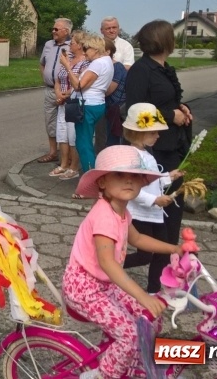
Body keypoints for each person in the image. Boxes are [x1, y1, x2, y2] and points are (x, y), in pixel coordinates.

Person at [63, 145, 183, 379]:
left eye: (135, 176)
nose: (129, 181)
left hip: (103, 286)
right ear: (102, 182)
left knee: (151, 319)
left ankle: (130, 359)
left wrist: (174, 248)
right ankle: (105, 375)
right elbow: (109, 264)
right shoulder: (104, 217)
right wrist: (143, 295)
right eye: (120, 175)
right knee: (130, 334)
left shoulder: (121, 211)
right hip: (84, 290)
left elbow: (138, 238)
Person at [125, 19, 193, 285]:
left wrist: (182, 108)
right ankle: (152, 283)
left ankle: (161, 282)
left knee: (172, 218)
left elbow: (167, 101)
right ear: (165, 41)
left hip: (173, 148)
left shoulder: (164, 68)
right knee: (158, 228)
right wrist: (169, 116)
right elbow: (133, 113)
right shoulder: (141, 71)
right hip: (155, 152)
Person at [121, 103, 185, 293]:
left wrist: (168, 176)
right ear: (138, 134)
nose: (158, 136)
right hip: (140, 214)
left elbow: (150, 180)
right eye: (153, 133)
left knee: (163, 251)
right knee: (145, 255)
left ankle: (153, 289)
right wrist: (154, 200)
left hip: (155, 214)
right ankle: (110, 266)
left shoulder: (147, 154)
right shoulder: (132, 157)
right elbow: (130, 188)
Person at [60, 34, 113, 176]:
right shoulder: (107, 61)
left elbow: (78, 85)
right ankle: (93, 175)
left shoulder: (97, 64)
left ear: (95, 49)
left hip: (87, 106)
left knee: (83, 144)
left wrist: (67, 66)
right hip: (97, 103)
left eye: (86, 49)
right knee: (85, 141)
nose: (84, 52)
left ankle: (91, 179)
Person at [49, 30, 86, 181]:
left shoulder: (85, 62)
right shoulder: (68, 59)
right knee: (62, 134)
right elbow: (59, 79)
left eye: (73, 42)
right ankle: (64, 164)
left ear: (80, 45)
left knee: (73, 136)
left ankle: (74, 167)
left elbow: (81, 83)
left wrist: (66, 95)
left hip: (74, 102)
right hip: (63, 103)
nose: (70, 44)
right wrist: (58, 94)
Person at [37, 18, 72, 164]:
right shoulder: (48, 44)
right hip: (50, 90)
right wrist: (46, 78)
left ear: (66, 31)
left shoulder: (73, 46)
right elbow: (42, 64)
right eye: (53, 29)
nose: (53, 31)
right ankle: (53, 152)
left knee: (66, 124)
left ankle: (68, 156)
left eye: (56, 29)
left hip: (66, 92)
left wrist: (67, 90)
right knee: (50, 122)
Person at [103, 38, 128, 147]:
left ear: (108, 51)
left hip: (116, 107)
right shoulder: (105, 65)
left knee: (114, 138)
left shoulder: (117, 67)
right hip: (109, 106)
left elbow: (109, 90)